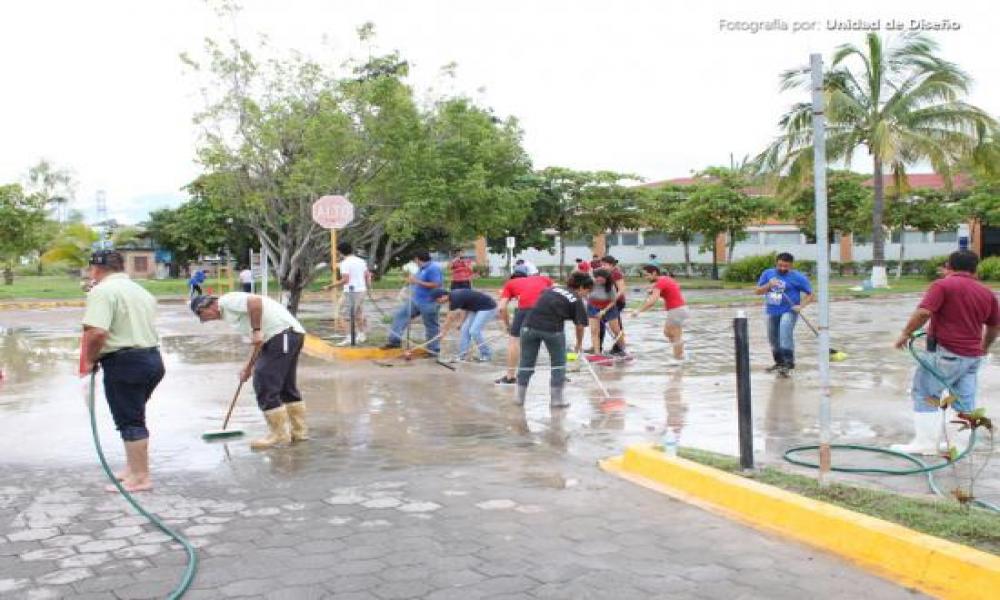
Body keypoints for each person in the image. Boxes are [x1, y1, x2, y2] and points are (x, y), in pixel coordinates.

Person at [891, 250, 999, 454]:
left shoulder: (943, 285)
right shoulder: (986, 293)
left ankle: (925, 445)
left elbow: (924, 312)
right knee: (964, 400)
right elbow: (994, 327)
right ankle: (958, 446)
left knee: (926, 393)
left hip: (945, 353)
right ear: (975, 269)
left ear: (949, 266)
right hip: (971, 358)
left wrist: (905, 333)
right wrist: (983, 348)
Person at [80, 251, 164, 492]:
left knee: (130, 420)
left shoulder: (102, 291)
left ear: (96, 269)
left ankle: (141, 477)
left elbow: (96, 332)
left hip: (125, 362)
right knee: (133, 414)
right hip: (151, 359)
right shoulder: (141, 291)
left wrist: (91, 358)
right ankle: (132, 468)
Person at [191, 292, 309, 449]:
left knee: (264, 380)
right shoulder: (229, 314)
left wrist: (256, 329)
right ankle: (299, 432)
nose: (206, 320)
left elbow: (254, 301)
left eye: (203, 316)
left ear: (205, 306)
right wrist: (248, 367)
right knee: (286, 386)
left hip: (282, 334)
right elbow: (258, 343)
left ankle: (279, 435)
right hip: (283, 336)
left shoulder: (226, 301)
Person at [516, 272, 593, 408]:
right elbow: (580, 325)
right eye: (587, 291)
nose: (586, 295)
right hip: (552, 330)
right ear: (581, 287)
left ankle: (519, 398)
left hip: (528, 327)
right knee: (559, 363)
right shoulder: (576, 299)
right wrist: (578, 345)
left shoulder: (551, 289)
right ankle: (557, 400)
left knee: (526, 362)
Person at [755, 252, 813, 376]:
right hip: (772, 311)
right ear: (776, 263)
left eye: (786, 266)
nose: (782, 268)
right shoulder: (768, 273)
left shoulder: (798, 277)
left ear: (791, 265)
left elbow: (810, 294)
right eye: (780, 265)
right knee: (773, 338)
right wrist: (769, 285)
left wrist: (801, 306)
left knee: (785, 333)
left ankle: (788, 363)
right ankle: (779, 363)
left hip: (789, 311)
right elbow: (758, 291)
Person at [495, 267, 555, 384]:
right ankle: (560, 374)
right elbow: (556, 293)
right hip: (548, 308)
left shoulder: (510, 283)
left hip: (526, 309)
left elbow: (501, 308)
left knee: (513, 341)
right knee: (553, 339)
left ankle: (510, 377)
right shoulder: (544, 279)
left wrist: (508, 326)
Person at [383, 250, 444, 354]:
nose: (414, 262)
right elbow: (415, 280)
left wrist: (417, 281)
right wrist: (410, 281)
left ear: (417, 259)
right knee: (400, 315)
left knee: (431, 325)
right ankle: (394, 341)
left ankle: (433, 349)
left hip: (429, 302)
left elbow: (436, 284)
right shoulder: (421, 268)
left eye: (414, 260)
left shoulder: (433, 268)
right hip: (416, 300)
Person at [631, 265, 688, 361]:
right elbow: (665, 290)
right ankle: (680, 355)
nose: (645, 278)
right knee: (668, 333)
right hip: (679, 310)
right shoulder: (664, 279)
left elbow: (652, 302)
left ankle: (679, 359)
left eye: (647, 275)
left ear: (654, 273)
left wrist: (638, 311)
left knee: (675, 335)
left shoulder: (660, 283)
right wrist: (654, 290)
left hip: (676, 310)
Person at [430, 287, 498, 362]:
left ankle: (486, 355)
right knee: (464, 330)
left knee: (474, 331)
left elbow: (450, 318)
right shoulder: (454, 297)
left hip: (488, 308)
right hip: (476, 309)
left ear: (443, 296)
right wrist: (461, 323)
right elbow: (465, 308)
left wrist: (443, 332)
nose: (437, 302)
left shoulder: (455, 298)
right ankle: (462, 356)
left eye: (437, 300)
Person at [328, 242, 372, 345]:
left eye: (337, 252)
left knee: (341, 314)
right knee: (358, 313)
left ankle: (349, 337)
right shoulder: (361, 261)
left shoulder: (345, 263)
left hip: (351, 291)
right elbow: (367, 275)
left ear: (340, 252)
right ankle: (361, 335)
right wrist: (368, 287)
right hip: (361, 290)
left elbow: (345, 280)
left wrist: (330, 286)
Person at [587, 268, 626, 356]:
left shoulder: (610, 286)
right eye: (597, 278)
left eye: (601, 279)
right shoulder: (590, 283)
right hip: (593, 307)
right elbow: (585, 293)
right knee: (594, 331)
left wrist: (604, 311)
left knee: (616, 330)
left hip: (609, 307)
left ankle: (623, 349)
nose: (598, 281)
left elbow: (613, 301)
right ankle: (597, 353)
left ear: (606, 278)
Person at [599, 255, 628, 353]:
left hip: (617, 302)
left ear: (612, 265)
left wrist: (613, 299)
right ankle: (618, 347)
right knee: (613, 325)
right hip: (609, 303)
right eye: (601, 265)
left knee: (606, 323)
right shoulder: (606, 273)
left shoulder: (616, 273)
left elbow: (622, 289)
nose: (602, 266)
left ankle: (619, 348)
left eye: (604, 265)